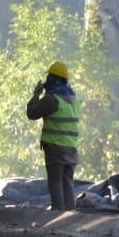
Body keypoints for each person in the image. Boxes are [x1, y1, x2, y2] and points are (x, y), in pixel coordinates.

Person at [26, 61, 81, 211]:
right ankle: (70, 214)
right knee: (67, 182)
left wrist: (36, 94)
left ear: (54, 79)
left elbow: (32, 113)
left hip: (56, 148)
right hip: (71, 148)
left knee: (55, 182)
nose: (46, 80)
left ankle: (57, 213)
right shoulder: (73, 99)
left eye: (49, 76)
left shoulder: (52, 99)